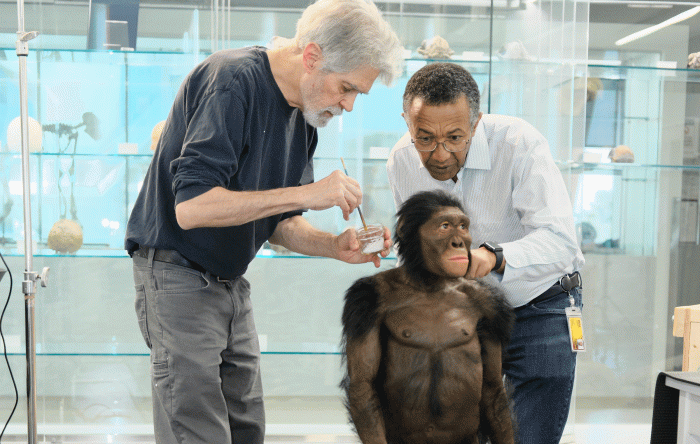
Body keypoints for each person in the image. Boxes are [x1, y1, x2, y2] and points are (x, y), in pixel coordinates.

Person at [124, 1, 403, 442]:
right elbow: (192, 207)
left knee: (246, 428)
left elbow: (280, 222)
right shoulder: (232, 81)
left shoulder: (306, 118)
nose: (347, 104)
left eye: (358, 95)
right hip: (178, 279)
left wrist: (334, 245)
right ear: (311, 56)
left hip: (230, 284)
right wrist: (308, 194)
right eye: (346, 87)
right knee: (197, 431)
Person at [386, 62, 585, 444]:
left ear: (476, 124)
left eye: (455, 138)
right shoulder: (401, 160)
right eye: (424, 138)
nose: (440, 154)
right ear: (407, 123)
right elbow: (412, 247)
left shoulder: (519, 143)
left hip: (540, 302)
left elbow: (561, 242)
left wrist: (491, 257)